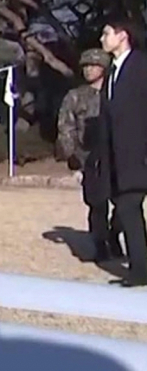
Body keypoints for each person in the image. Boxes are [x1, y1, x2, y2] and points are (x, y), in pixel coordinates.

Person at [96, 9, 147, 287]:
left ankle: (140, 270)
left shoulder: (140, 67)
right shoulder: (112, 73)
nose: (102, 38)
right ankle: (140, 266)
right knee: (127, 210)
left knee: (129, 208)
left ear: (122, 36)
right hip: (118, 159)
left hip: (138, 156)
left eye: (106, 33)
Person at [57, 48, 122, 262]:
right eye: (85, 66)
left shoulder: (116, 92)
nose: (88, 70)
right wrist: (72, 155)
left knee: (125, 203)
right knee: (97, 204)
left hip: (118, 155)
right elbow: (66, 126)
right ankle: (100, 243)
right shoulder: (75, 96)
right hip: (89, 157)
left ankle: (115, 234)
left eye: (93, 66)